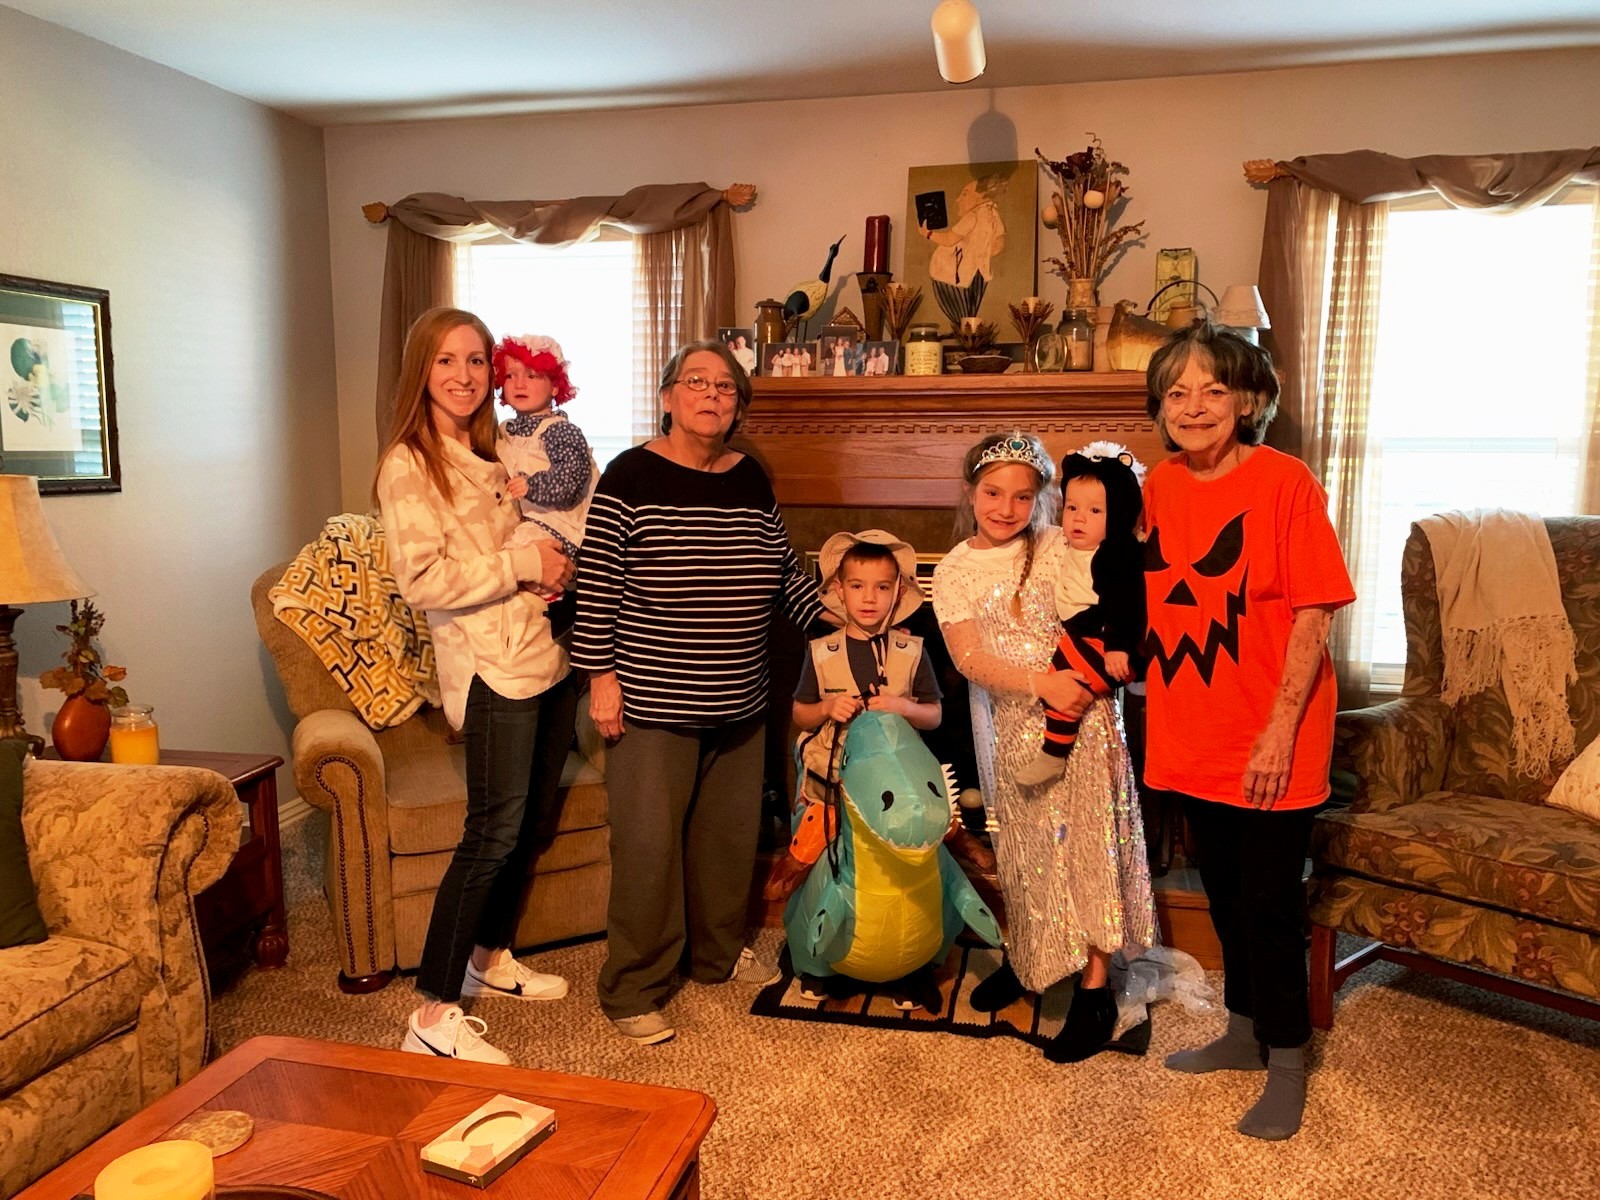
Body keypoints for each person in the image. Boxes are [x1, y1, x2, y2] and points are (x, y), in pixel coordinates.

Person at [571, 338, 828, 1046]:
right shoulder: (629, 476)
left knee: (724, 843)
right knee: (649, 848)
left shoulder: (748, 477)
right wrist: (600, 679)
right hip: (653, 700)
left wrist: (840, 619)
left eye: (725, 387)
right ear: (667, 397)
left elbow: (782, 571)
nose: (712, 395)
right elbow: (598, 584)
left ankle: (715, 957)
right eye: (696, 382)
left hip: (740, 697)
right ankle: (632, 987)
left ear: (738, 407)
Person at [1142, 321, 1354, 1141]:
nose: (1194, 406)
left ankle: (1288, 1060)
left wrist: (1277, 734)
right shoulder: (1158, 487)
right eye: (1177, 392)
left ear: (1248, 401)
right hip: (1191, 728)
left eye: (1214, 389)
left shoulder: (1286, 482)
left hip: (1272, 732)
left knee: (1268, 905)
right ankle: (1242, 1030)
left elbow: (1315, 612)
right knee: (1224, 895)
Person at [375, 307, 578, 1066]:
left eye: (475, 360)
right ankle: (432, 1011)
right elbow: (424, 579)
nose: (463, 375)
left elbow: (524, 539)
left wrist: (552, 569)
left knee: (528, 825)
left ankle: (488, 958)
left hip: (543, 655)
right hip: (490, 668)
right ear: (420, 372)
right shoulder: (409, 464)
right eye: (445, 361)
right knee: (490, 833)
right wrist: (526, 565)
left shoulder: (492, 453)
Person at [932, 431, 1155, 1062]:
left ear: (1043, 500)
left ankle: (1094, 987)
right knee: (1028, 852)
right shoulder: (953, 571)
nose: (1006, 508)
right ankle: (1032, 958)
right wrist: (1040, 683)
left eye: (1022, 496)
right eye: (993, 493)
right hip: (1014, 724)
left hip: (1086, 717)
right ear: (970, 492)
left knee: (1090, 849)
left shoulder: (1061, 543)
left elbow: (1119, 590)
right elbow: (969, 657)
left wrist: (1086, 681)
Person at [766, 530, 943, 910]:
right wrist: (826, 708)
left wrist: (904, 707)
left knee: (921, 828)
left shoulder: (912, 651)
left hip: (894, 782)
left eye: (882, 587)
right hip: (832, 779)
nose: (869, 597)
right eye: (857, 586)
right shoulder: (821, 652)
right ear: (839, 590)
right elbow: (801, 714)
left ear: (897, 592)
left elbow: (934, 716)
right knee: (822, 835)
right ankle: (800, 881)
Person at [1015, 443, 1147, 786]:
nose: (1078, 517)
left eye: (1095, 511)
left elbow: (1127, 602)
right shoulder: (1072, 546)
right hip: (1085, 634)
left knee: (1063, 685)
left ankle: (1053, 754)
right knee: (1062, 683)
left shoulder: (1115, 553)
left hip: (1104, 638)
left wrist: (1118, 646)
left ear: (1119, 515)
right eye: (1071, 507)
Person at [492, 333, 598, 618]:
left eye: (532, 375)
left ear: (555, 386)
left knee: (519, 556)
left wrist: (532, 485)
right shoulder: (506, 431)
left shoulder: (560, 430)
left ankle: (555, 601)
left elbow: (571, 478)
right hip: (528, 519)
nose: (519, 383)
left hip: (559, 525)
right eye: (511, 376)